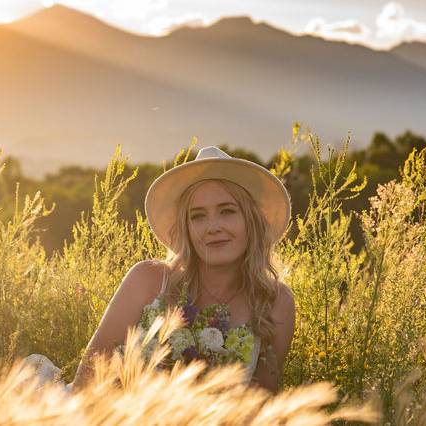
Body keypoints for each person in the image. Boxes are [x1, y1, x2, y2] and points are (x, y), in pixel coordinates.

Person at [69, 146, 296, 392]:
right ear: (186, 228)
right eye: (198, 216)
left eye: (227, 211)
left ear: (251, 220)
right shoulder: (148, 281)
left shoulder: (274, 302)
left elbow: (261, 407)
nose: (213, 226)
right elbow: (87, 377)